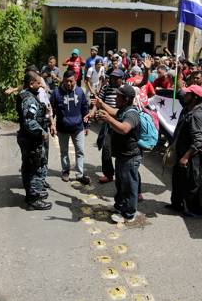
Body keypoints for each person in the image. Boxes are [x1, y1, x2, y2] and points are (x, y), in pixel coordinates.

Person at [95, 84, 142, 224]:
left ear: (126, 99)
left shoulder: (132, 114)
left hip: (130, 156)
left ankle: (129, 214)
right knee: (121, 183)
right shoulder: (123, 110)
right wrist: (101, 104)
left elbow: (124, 129)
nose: (115, 98)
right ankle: (119, 207)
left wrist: (108, 119)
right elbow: (114, 112)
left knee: (128, 186)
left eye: (118, 96)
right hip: (122, 155)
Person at [168, 84, 202, 218]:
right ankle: (176, 204)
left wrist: (186, 157)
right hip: (181, 151)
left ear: (195, 98)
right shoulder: (188, 107)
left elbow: (199, 140)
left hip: (190, 156)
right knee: (177, 179)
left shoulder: (197, 115)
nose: (184, 96)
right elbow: (179, 93)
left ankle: (194, 210)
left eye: (188, 94)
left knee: (191, 183)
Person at [17, 72, 53, 210]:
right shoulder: (29, 99)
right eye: (38, 83)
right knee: (36, 167)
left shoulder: (26, 94)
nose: (41, 85)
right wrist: (42, 133)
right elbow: (29, 121)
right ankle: (34, 198)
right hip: (32, 139)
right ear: (31, 83)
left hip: (28, 138)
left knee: (30, 166)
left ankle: (33, 193)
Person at [51, 69, 91, 184]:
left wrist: (87, 125)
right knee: (64, 151)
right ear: (63, 80)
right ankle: (65, 171)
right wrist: (51, 125)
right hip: (62, 128)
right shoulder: (56, 93)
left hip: (77, 128)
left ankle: (79, 174)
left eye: (71, 81)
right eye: (66, 81)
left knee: (80, 151)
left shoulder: (79, 91)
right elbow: (51, 110)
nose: (69, 84)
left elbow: (85, 109)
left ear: (75, 80)